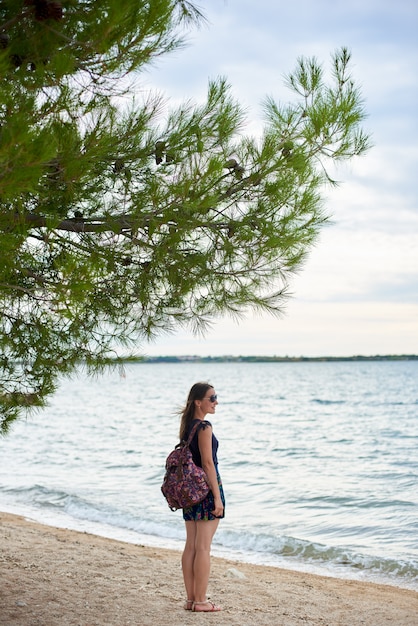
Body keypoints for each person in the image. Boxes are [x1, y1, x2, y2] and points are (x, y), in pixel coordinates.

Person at [179, 382, 225, 612]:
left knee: (191, 547)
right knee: (203, 548)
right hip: (206, 489)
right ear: (199, 402)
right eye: (212, 397)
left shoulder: (188, 426)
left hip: (190, 491)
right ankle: (201, 601)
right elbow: (207, 464)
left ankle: (191, 600)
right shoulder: (205, 427)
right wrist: (217, 497)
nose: (216, 401)